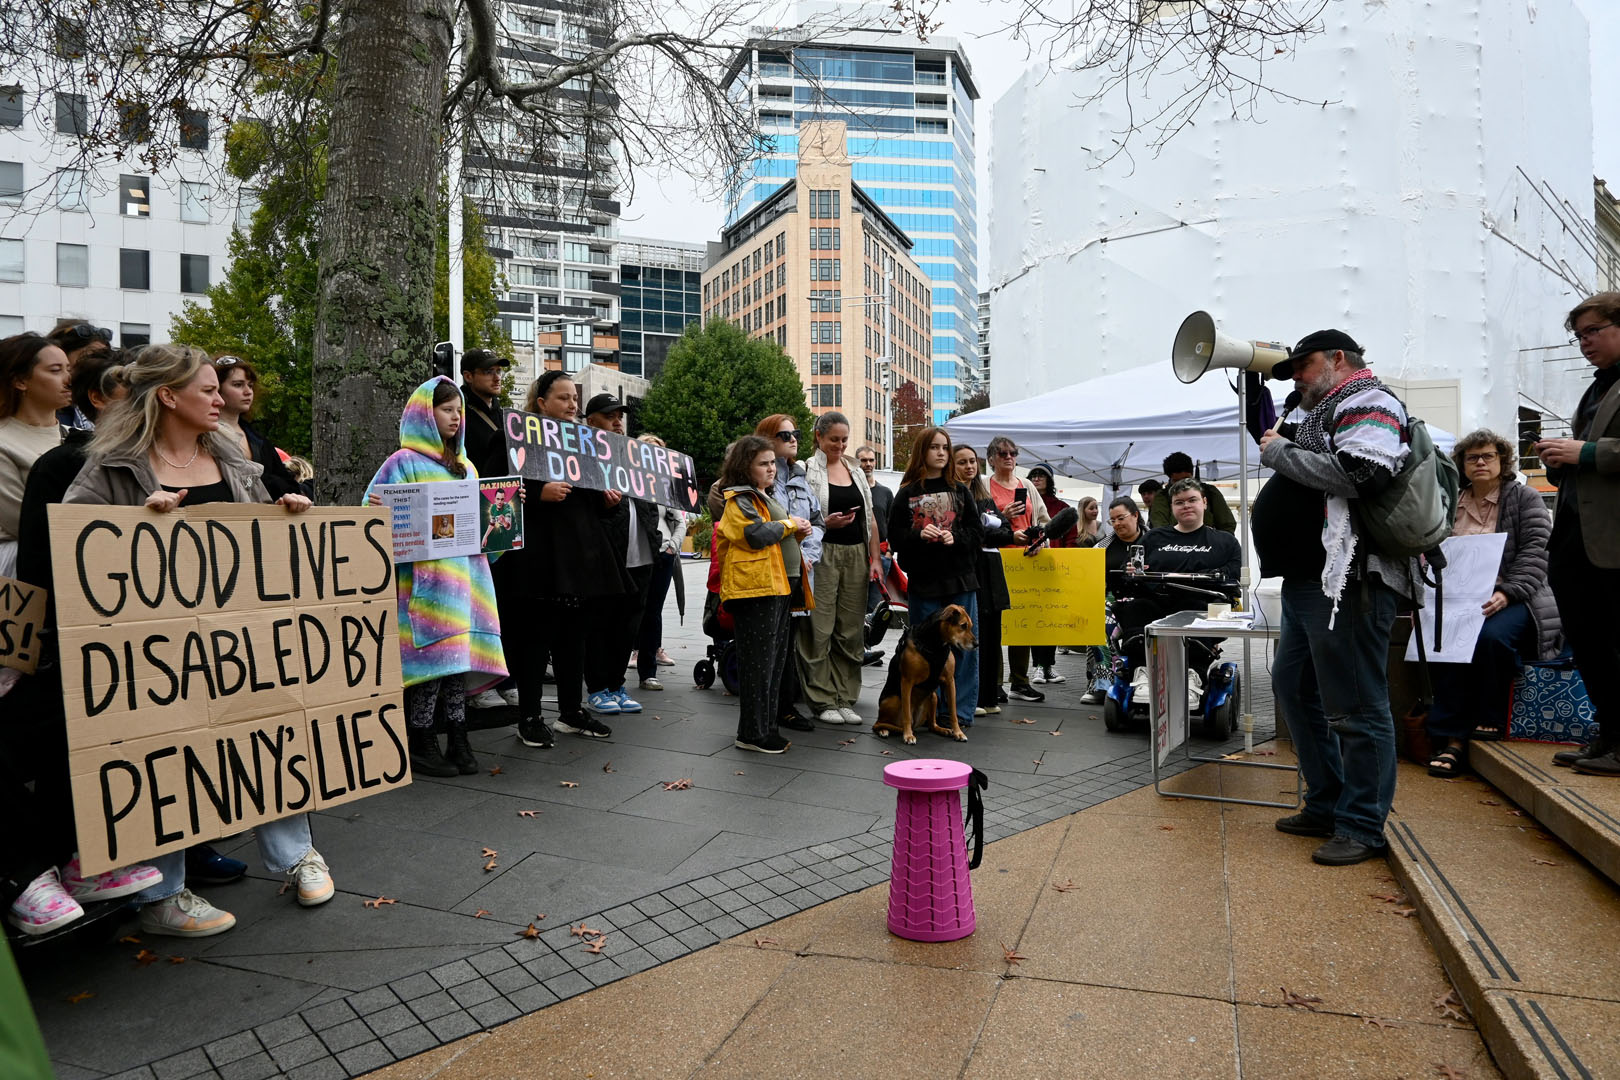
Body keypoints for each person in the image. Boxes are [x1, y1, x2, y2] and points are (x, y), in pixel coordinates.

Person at [63, 343, 332, 934]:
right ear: (167, 396)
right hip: (158, 654)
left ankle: (296, 855)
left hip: (238, 642)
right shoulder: (112, 466)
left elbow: (258, 545)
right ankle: (165, 895)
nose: (220, 398)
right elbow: (75, 545)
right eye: (208, 390)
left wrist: (285, 513)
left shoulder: (234, 461)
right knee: (166, 758)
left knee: (266, 732)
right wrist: (133, 525)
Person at [1257, 328, 1413, 865]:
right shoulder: (1317, 411)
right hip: (1312, 579)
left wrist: (1280, 453)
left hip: (1351, 578)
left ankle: (1363, 824)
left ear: (1338, 359)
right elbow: (1282, 445)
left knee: (1355, 703)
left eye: (1303, 365)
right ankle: (1325, 802)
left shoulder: (1371, 401)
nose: (1296, 376)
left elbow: (1362, 472)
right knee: (1295, 686)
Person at [365, 377, 509, 777]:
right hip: (426, 586)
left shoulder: (467, 467)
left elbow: (487, 537)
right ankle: (422, 741)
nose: (455, 417)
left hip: (466, 582)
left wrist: (505, 517)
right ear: (424, 414)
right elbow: (369, 523)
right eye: (447, 409)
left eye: (458, 409)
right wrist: (377, 510)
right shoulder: (401, 463)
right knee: (431, 667)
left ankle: (458, 739)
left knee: (457, 666)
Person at [497, 372, 624, 746]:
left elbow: (592, 504)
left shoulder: (584, 446)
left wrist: (605, 501)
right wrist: (538, 494)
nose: (572, 406)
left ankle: (571, 711)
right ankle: (530, 717)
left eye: (574, 399)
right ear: (541, 403)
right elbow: (498, 493)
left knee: (573, 641)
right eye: (564, 398)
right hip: (537, 563)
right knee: (534, 642)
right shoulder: (515, 439)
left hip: (579, 561)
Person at [1423, 431, 1560, 777]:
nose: (1481, 462)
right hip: (1457, 599)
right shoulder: (1448, 501)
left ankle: (1490, 716)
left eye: (1488, 456)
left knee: (1490, 639)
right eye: (1472, 458)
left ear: (1502, 461)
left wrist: (1508, 592)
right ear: (1462, 465)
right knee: (1445, 645)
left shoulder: (1524, 498)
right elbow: (1427, 549)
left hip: (1517, 596)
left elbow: (1537, 551)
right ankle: (1451, 739)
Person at [1535, 294, 1620, 776]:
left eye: (1594, 330)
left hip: (1612, 538)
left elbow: (1597, 453)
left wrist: (1585, 454)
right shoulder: (1596, 388)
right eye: (1580, 334)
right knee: (1587, 639)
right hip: (1574, 533)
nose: (1585, 342)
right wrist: (1560, 458)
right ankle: (1608, 734)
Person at [716, 435, 814, 753]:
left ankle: (765, 729)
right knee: (759, 665)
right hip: (756, 589)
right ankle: (751, 734)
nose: (771, 468)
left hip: (776, 586)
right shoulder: (739, 499)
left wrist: (794, 531)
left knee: (771, 664)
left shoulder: (759, 495)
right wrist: (789, 524)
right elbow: (754, 534)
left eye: (773, 462)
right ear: (746, 466)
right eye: (763, 463)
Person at [1112, 479, 1243, 705]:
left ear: (1204, 502)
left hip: (1200, 605)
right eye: (1179, 502)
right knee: (1136, 608)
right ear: (1172, 508)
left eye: (1192, 500)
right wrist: (1130, 570)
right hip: (1156, 603)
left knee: (1200, 611)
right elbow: (1129, 569)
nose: (1186, 506)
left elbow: (1232, 575)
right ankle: (1142, 672)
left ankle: (1195, 676)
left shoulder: (1225, 542)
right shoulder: (1154, 538)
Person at [888, 427, 983, 732]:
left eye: (945, 447)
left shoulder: (960, 490)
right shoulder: (907, 492)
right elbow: (895, 537)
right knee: (924, 651)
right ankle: (927, 713)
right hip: (925, 582)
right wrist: (919, 534)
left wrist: (955, 537)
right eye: (934, 447)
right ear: (922, 452)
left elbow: (976, 532)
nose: (942, 453)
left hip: (960, 581)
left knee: (965, 647)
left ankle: (960, 713)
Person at [800, 411, 883, 725]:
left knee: (850, 631)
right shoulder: (807, 469)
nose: (839, 444)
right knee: (818, 629)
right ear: (819, 437)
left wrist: (875, 559)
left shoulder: (855, 470)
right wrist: (826, 522)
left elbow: (870, 518)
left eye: (844, 439)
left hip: (856, 555)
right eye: (833, 439)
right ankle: (822, 700)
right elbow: (803, 515)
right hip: (822, 554)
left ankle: (845, 697)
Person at [580, 394, 655, 718]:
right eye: (609, 415)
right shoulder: (584, 458)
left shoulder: (633, 457)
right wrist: (605, 506)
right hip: (609, 558)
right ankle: (597, 688)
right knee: (601, 626)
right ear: (591, 420)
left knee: (628, 628)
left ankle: (616, 684)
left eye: (619, 415)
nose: (617, 421)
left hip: (642, 556)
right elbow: (585, 512)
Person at [756, 414, 822, 730]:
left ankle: (785, 706)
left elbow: (817, 522)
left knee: (790, 638)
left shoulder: (800, 475)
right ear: (768, 440)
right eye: (785, 435)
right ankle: (772, 710)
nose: (794, 438)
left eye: (796, 433)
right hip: (770, 571)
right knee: (772, 641)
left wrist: (807, 553)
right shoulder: (759, 481)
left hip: (800, 570)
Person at [985, 435, 1049, 703]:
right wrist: (1004, 516)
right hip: (997, 559)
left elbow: (1044, 519)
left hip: (1027, 561)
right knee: (996, 623)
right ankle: (995, 682)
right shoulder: (982, 486)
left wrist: (1040, 541)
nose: (1009, 457)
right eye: (1002, 453)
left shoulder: (1027, 486)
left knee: (1023, 621)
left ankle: (1020, 682)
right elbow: (978, 522)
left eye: (1013, 453)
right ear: (991, 459)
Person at [0, 335, 68, 578]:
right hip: (23, 571)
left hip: (78, 557)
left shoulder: (78, 436)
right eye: (55, 370)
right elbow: (24, 523)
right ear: (20, 381)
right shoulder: (3, 442)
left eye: (68, 368)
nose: (69, 379)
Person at [954, 444, 1010, 717]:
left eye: (972, 462)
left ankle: (989, 694)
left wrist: (992, 530)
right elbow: (971, 533)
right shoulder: (953, 497)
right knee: (971, 633)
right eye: (962, 462)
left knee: (991, 635)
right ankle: (969, 697)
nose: (969, 467)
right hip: (968, 570)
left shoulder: (985, 498)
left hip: (991, 572)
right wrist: (988, 531)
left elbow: (1005, 532)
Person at [630, 433, 688, 692]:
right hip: (634, 554)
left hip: (662, 554)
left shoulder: (667, 485)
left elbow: (680, 520)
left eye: (657, 451)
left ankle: (648, 671)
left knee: (652, 612)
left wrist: (672, 547)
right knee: (632, 611)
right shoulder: (628, 480)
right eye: (646, 450)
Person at [211, 355, 302, 500]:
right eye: (238, 384)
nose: (248, 391)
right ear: (216, 388)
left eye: (250, 385)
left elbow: (289, 487)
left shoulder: (259, 440)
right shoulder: (201, 436)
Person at [1025, 464, 1073, 686]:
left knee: (1051, 619)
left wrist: (1065, 562)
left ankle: (1049, 666)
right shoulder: (1025, 504)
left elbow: (1071, 540)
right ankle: (1037, 667)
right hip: (1030, 568)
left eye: (1041, 476)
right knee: (1035, 619)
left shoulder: (1061, 506)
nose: (1036, 479)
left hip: (1056, 569)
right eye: (1033, 475)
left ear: (1050, 480)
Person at [44, 321, 113, 429]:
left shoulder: (111, 402)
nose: (97, 365)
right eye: (88, 357)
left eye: (104, 357)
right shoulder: (47, 415)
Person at [1148, 452, 1237, 533]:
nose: (1182, 485)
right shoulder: (1162, 497)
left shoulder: (1209, 492)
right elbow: (1160, 529)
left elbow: (1227, 525)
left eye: (1186, 479)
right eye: (1177, 481)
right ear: (1170, 479)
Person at [457, 347, 510, 481]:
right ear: (468, 376)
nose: (497, 378)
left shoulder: (505, 416)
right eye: (488, 372)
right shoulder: (457, 415)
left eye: (498, 371)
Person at [858, 444, 895, 610]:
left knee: (875, 607)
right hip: (856, 554)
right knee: (853, 606)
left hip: (881, 556)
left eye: (871, 460)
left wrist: (889, 553)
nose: (868, 464)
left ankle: (871, 637)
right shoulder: (852, 490)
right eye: (864, 460)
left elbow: (893, 524)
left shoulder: (885, 493)